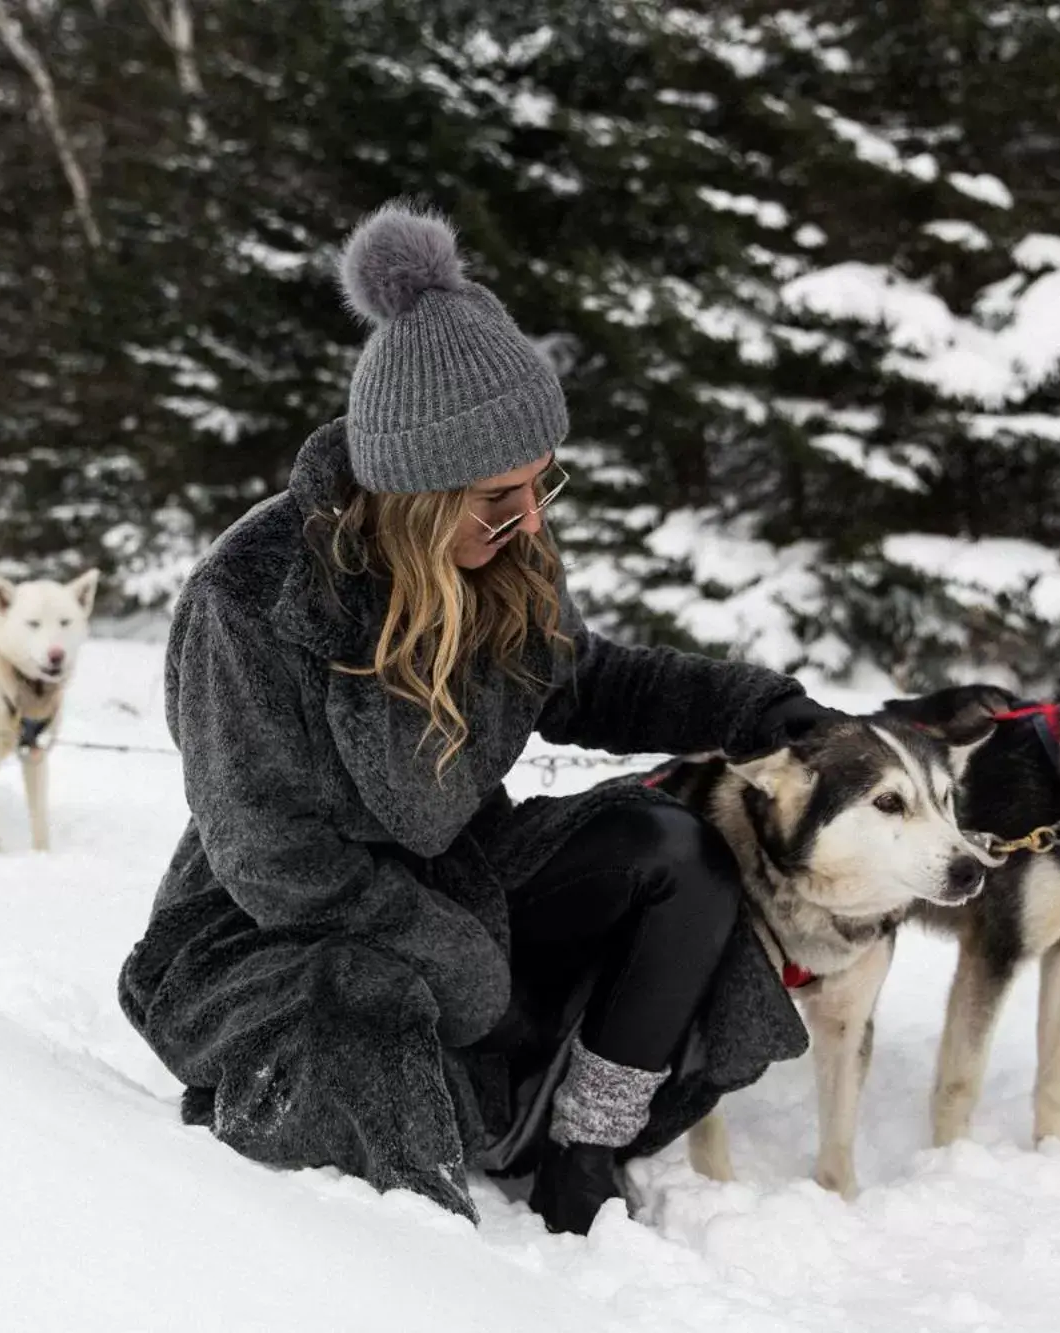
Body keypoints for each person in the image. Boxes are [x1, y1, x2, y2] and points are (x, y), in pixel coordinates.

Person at [119, 201, 834, 1234]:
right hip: (273, 917)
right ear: (414, 492)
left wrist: (754, 706)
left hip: (459, 864)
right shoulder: (249, 597)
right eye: (504, 494)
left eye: (542, 484)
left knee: (675, 852)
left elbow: (585, 682)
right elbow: (269, 852)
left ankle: (584, 1143)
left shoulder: (502, 548)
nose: (532, 519)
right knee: (365, 1036)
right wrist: (456, 958)